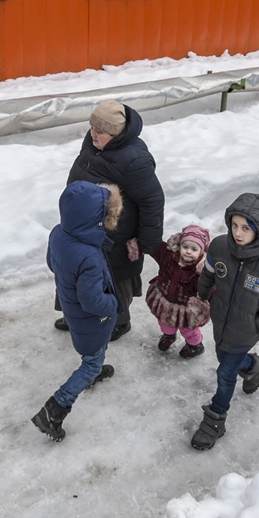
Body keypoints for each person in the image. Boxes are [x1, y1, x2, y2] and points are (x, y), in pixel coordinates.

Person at [190, 193, 259, 451]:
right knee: (225, 358)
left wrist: (256, 327)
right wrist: (202, 294)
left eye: (246, 227)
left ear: (258, 229)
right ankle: (255, 365)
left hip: (246, 331)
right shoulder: (220, 247)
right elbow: (210, 273)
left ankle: (215, 419)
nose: (238, 232)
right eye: (234, 225)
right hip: (221, 321)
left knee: (225, 374)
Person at [57, 100, 165, 340]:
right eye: (92, 127)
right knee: (76, 271)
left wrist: (148, 241)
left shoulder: (134, 159)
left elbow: (152, 201)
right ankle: (74, 314)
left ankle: (119, 321)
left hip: (115, 234)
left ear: (116, 133)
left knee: (115, 276)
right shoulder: (94, 140)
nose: (93, 133)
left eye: (101, 130)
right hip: (81, 225)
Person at [33, 182, 123, 442]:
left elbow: (52, 263)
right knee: (90, 362)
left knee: (94, 350)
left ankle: (95, 367)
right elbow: (92, 301)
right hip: (89, 318)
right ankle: (55, 409)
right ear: (95, 220)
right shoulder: (89, 257)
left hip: (71, 306)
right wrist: (113, 305)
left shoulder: (59, 233)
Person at [145, 225, 212, 358]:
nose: (188, 251)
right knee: (164, 322)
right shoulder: (169, 257)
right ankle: (169, 336)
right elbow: (155, 248)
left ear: (201, 251)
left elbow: (212, 288)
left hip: (186, 309)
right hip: (165, 301)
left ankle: (195, 345)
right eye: (185, 247)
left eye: (194, 249)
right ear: (179, 245)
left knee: (189, 330)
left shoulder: (203, 271)